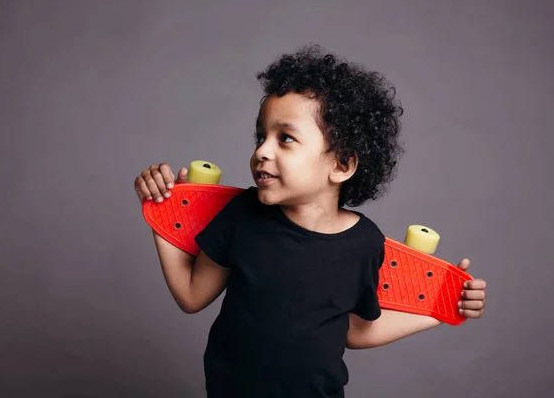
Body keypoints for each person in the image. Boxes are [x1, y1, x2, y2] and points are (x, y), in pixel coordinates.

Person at [134, 45, 487, 398]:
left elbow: (355, 331)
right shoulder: (243, 214)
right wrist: (162, 209)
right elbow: (192, 295)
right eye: (261, 136)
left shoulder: (364, 243)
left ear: (342, 164)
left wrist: (441, 309)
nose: (262, 151)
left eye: (285, 138)